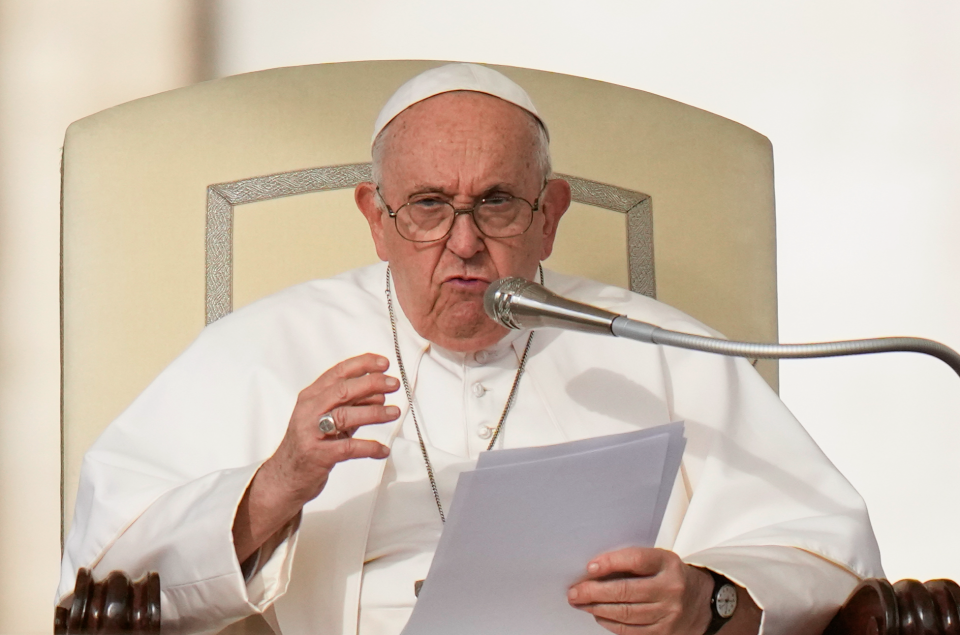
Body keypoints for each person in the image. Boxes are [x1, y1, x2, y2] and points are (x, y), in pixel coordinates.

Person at [58, 63, 883, 635]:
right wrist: (275, 485)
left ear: (551, 212)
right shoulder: (266, 346)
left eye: (496, 203)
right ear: (375, 218)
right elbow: (102, 572)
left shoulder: (656, 347)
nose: (462, 242)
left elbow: (824, 548)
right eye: (425, 206)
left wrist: (711, 603)